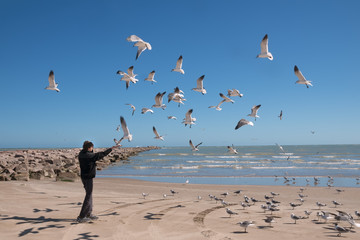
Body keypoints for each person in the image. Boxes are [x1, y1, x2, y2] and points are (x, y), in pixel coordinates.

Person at [76, 141, 118, 223]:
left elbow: (93, 154)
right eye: (92, 147)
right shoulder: (88, 155)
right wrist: (111, 149)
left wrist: (89, 148)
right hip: (87, 177)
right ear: (89, 148)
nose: (92, 149)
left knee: (89, 194)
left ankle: (88, 213)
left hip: (85, 176)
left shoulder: (82, 153)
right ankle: (81, 216)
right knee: (88, 195)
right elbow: (100, 155)